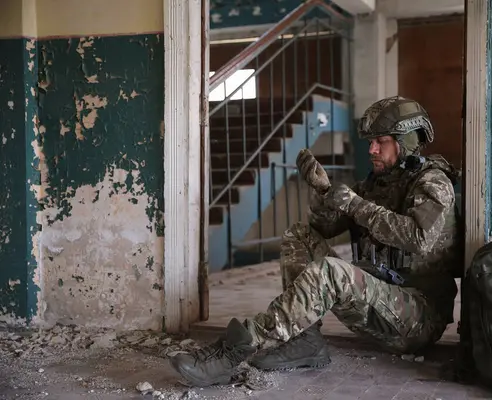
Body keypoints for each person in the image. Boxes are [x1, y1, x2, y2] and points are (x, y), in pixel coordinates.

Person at [169, 96, 463, 387]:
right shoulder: (377, 185)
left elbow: (419, 238)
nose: (371, 149)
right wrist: (323, 191)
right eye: (370, 142)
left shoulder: (433, 182)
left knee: (331, 272)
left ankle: (237, 347)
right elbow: (322, 227)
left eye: (380, 141)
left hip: (416, 318)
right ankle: (304, 340)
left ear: (406, 141)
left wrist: (355, 204)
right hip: (379, 302)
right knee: (299, 235)